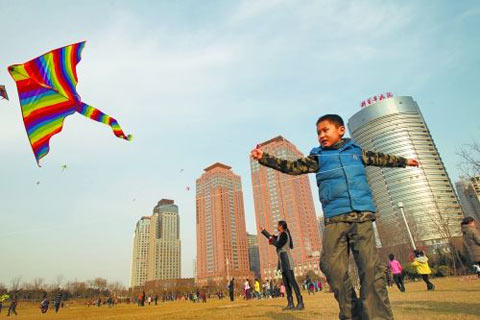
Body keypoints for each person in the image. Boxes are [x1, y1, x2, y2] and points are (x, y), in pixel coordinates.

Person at [252, 114, 419, 320]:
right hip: (334, 219)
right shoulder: (318, 157)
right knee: (330, 266)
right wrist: (265, 158)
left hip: (362, 217)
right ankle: (353, 313)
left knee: (369, 268)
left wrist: (404, 161)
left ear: (340, 130)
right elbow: (292, 167)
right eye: (318, 132)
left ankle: (378, 317)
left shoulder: (357, 152)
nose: (321, 135)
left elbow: (381, 158)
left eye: (325, 130)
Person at [261, 221, 304, 310]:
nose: (277, 226)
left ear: (281, 226)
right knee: (286, 283)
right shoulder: (280, 235)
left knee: (292, 281)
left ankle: (300, 303)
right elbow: (272, 237)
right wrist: (263, 231)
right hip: (282, 260)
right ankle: (290, 303)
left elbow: (278, 244)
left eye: (278, 225)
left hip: (286, 259)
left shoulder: (284, 234)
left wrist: (272, 242)